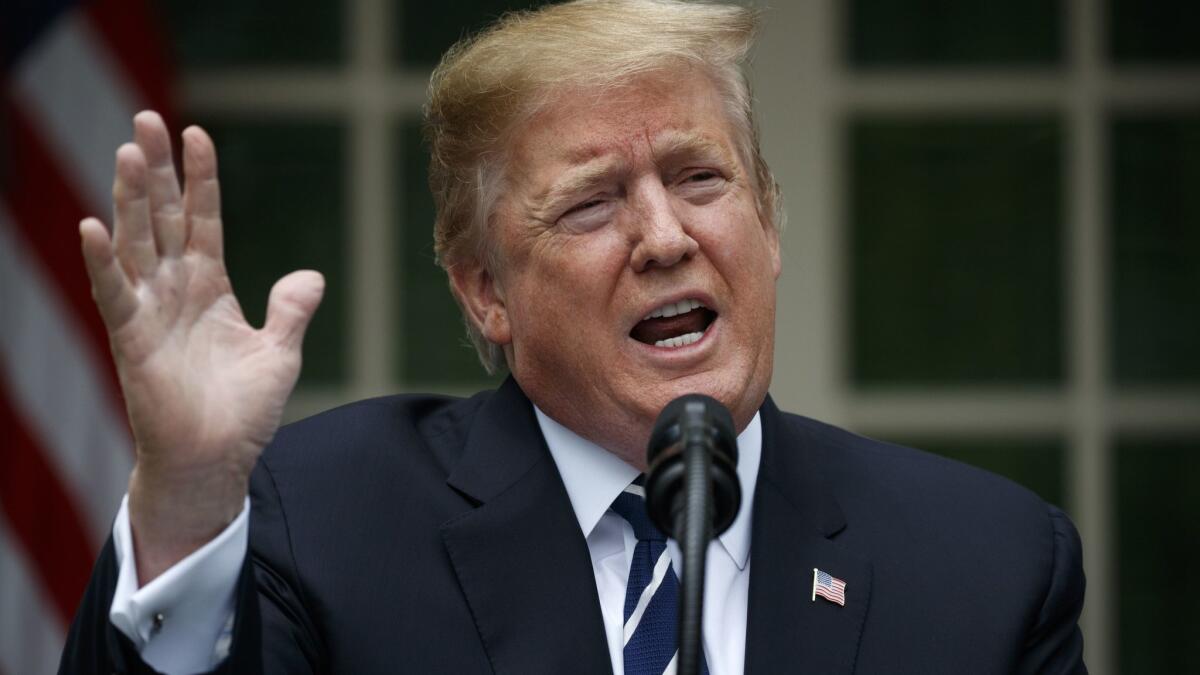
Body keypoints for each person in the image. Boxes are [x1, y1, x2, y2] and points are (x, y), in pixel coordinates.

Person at [59, 1, 1087, 673]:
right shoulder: (319, 523)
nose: (664, 236)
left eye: (700, 177)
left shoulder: (985, 569)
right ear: (484, 293)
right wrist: (190, 499)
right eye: (592, 205)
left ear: (770, 220)